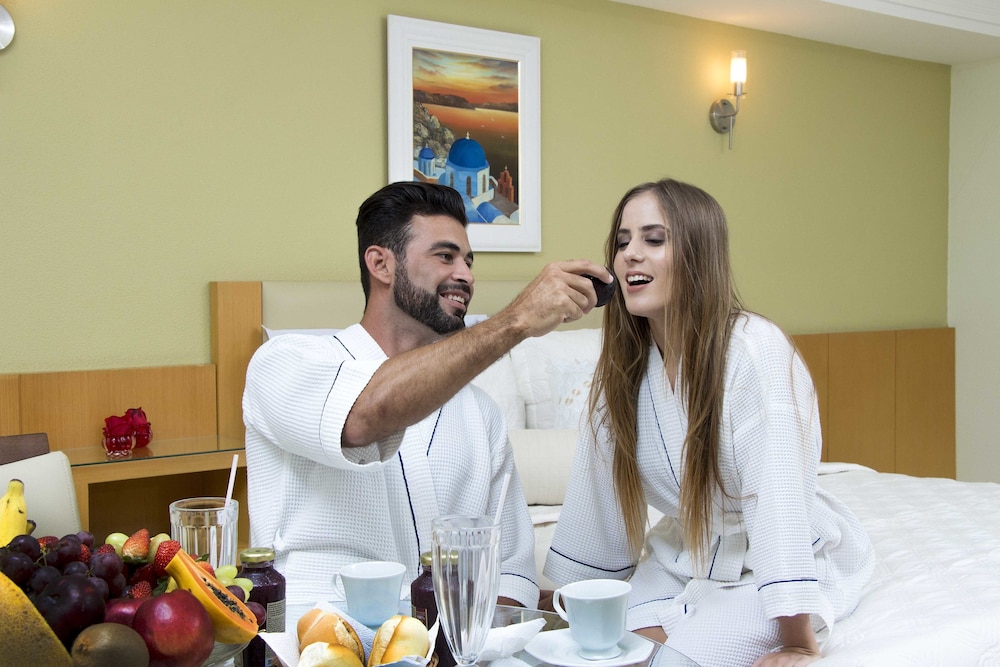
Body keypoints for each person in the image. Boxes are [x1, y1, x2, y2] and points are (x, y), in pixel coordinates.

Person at [543, 179, 875, 667]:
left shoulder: (754, 351)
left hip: (768, 568)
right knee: (605, 651)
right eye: (622, 241)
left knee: (677, 660)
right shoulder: (623, 370)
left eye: (654, 239)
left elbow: (777, 495)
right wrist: (579, 606)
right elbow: (596, 496)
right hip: (683, 557)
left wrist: (796, 642)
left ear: (698, 254)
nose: (630, 254)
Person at [242, 181, 611, 609]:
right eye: (445, 256)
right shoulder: (283, 364)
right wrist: (517, 319)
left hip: (450, 639)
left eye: (468, 261)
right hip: (315, 633)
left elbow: (511, 571)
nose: (466, 275)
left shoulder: (481, 414)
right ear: (381, 264)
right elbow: (364, 416)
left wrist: (484, 638)